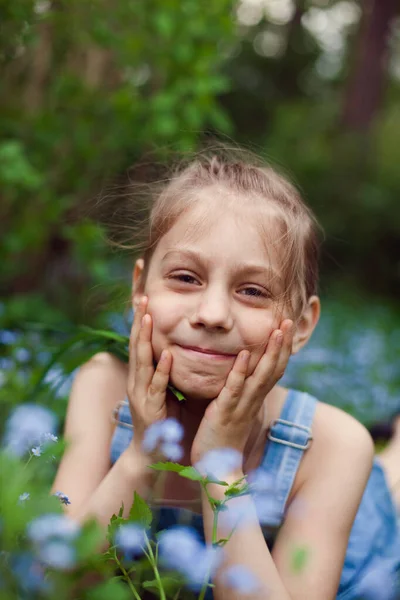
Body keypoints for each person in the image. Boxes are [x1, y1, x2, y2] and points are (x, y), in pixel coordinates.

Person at [51, 151, 400, 600]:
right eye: (185, 278)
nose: (212, 314)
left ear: (303, 326)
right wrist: (141, 451)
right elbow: (50, 583)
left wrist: (222, 466)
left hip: (351, 537)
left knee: (388, 489)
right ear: (140, 289)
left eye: (252, 291)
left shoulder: (332, 445)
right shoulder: (102, 387)